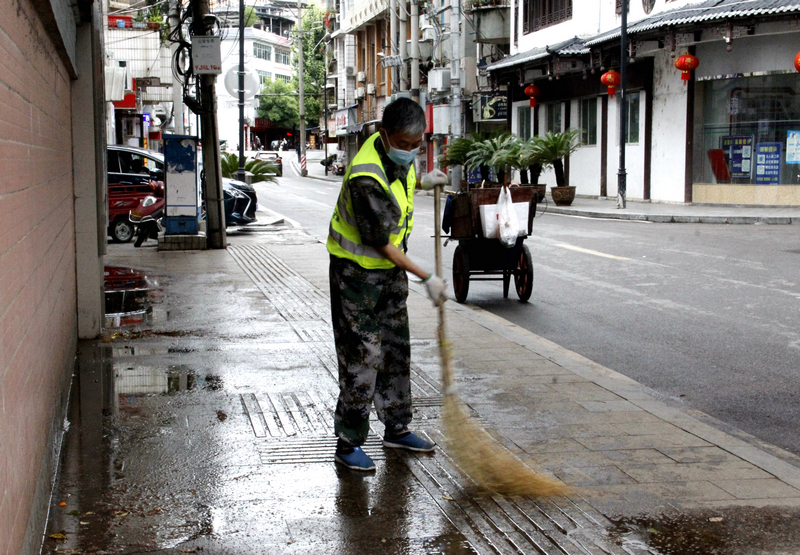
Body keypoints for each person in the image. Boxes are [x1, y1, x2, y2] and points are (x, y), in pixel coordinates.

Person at [326, 98, 447, 471]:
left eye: (417, 145)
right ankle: (348, 442)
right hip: (355, 276)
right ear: (384, 135)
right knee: (364, 355)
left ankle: (397, 428)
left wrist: (425, 181)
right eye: (405, 144)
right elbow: (380, 241)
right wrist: (425, 275)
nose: (411, 151)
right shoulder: (366, 176)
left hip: (389, 276)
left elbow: (404, 182)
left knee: (395, 349)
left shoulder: (401, 158)